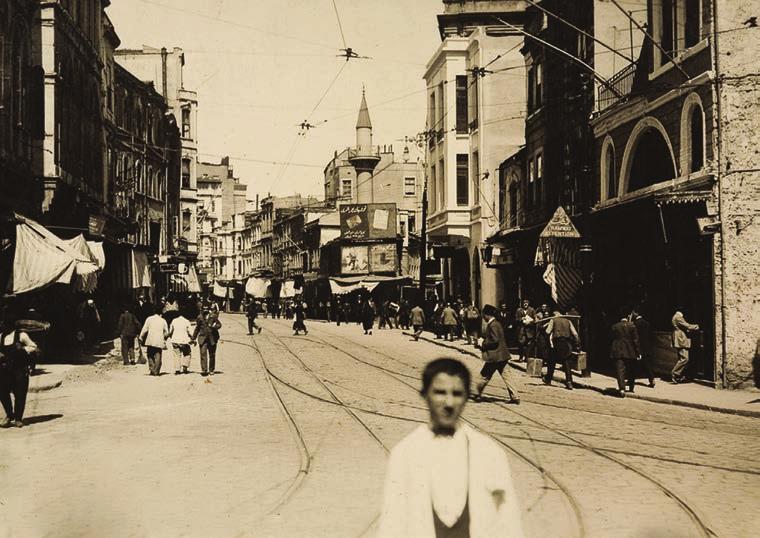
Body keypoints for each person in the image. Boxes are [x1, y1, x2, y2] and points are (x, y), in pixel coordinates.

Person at [377, 358, 524, 538]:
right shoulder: (405, 453)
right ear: (425, 395)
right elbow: (391, 525)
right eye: (439, 392)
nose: (448, 403)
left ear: (465, 398)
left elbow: (509, 523)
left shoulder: (489, 452)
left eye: (457, 394)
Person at [472, 304, 520, 404]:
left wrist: (483, 343)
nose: (483, 317)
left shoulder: (492, 325)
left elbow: (494, 340)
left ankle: (476, 394)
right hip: (502, 355)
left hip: (494, 356)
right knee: (507, 377)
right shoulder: (497, 323)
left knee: (484, 376)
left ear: (487, 315)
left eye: (484, 315)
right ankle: (515, 397)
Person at [0, 308, 39, 428]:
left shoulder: (21, 335)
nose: (2, 325)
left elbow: (34, 346)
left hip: (19, 369)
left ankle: (18, 418)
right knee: (2, 392)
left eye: (4, 322)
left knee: (20, 393)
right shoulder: (1, 336)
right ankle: (9, 414)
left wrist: (22, 349)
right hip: (5, 369)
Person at [543, 310, 580, 390]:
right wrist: (577, 344)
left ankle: (548, 379)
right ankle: (569, 382)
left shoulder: (553, 320)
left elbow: (547, 332)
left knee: (552, 362)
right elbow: (575, 334)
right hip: (567, 344)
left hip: (557, 343)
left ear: (556, 314)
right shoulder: (568, 321)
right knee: (567, 363)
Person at [609, 312, 641, 397]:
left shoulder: (615, 327)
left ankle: (622, 388)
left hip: (618, 351)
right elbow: (636, 340)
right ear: (627, 317)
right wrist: (638, 352)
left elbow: (611, 339)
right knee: (631, 369)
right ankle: (631, 387)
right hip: (630, 351)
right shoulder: (632, 326)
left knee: (620, 370)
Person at [138, 305, 169, 376]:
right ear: (161, 312)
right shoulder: (163, 320)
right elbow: (166, 332)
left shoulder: (149, 319)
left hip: (150, 340)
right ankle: (156, 371)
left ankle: (152, 369)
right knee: (158, 355)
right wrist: (165, 339)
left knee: (150, 355)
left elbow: (144, 329)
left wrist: (141, 337)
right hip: (159, 341)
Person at [671, 310, 699, 384]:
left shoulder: (676, 316)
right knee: (685, 358)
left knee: (681, 357)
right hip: (680, 339)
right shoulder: (678, 317)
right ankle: (675, 373)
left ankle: (679, 376)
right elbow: (687, 325)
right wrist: (696, 326)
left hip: (679, 338)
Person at [192, 308, 220, 376]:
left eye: (206, 309)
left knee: (212, 355)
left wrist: (215, 326)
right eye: (203, 309)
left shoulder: (213, 316)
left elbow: (219, 324)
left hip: (212, 338)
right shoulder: (199, 317)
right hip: (202, 338)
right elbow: (197, 328)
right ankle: (204, 370)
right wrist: (193, 338)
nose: (205, 310)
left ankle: (211, 370)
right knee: (203, 354)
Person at [632, 309, 655, 388]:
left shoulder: (634, 324)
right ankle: (651, 379)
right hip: (647, 346)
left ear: (636, 313)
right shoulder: (647, 323)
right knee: (648, 364)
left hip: (638, 347)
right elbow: (650, 336)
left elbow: (634, 337)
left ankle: (631, 380)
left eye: (633, 313)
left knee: (634, 365)